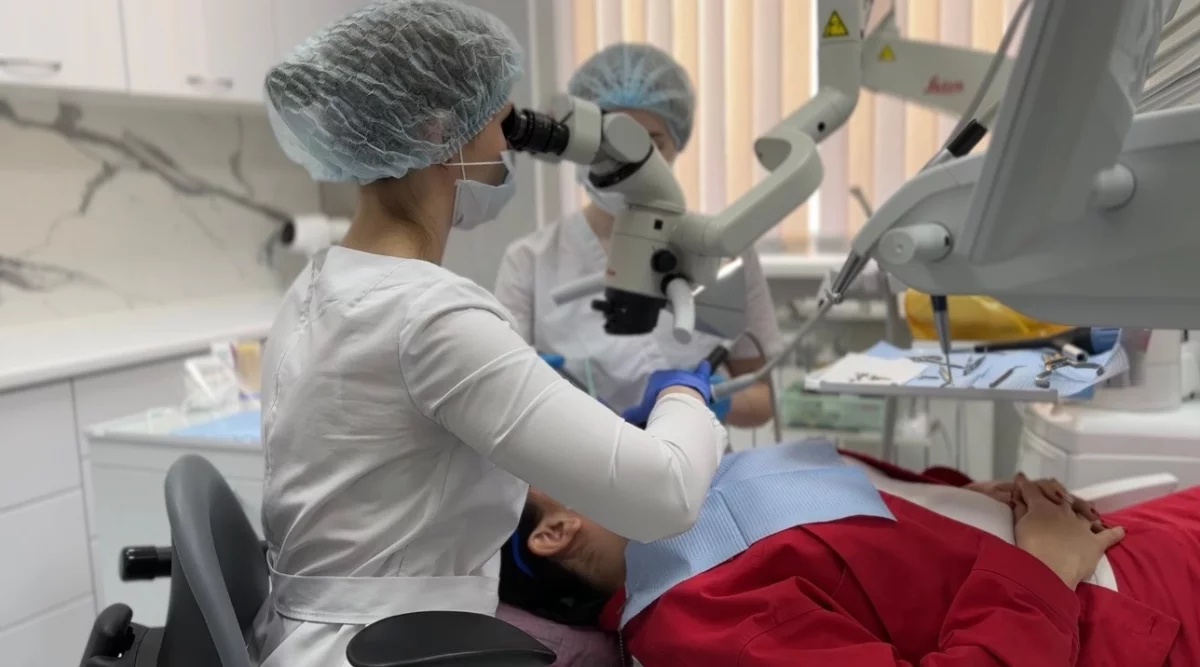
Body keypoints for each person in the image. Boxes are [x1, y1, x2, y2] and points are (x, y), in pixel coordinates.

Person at [252, 3, 727, 666]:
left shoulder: (318, 285)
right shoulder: (428, 315)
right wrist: (685, 394)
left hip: (320, 635)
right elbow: (665, 496)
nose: (509, 148)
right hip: (391, 649)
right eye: (502, 124)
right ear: (438, 131)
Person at [502, 440, 1200, 665]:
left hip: (1093, 539)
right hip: (1107, 614)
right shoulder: (697, 619)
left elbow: (854, 512)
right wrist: (1043, 565)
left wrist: (966, 496)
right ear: (556, 530)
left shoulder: (689, 491)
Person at [493, 43, 783, 427]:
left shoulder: (723, 247)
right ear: (577, 143)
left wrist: (716, 399)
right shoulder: (529, 261)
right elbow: (500, 403)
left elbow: (763, 398)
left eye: (651, 143)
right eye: (609, 141)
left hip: (696, 456)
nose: (629, 158)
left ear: (677, 144)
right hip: (578, 459)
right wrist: (533, 390)